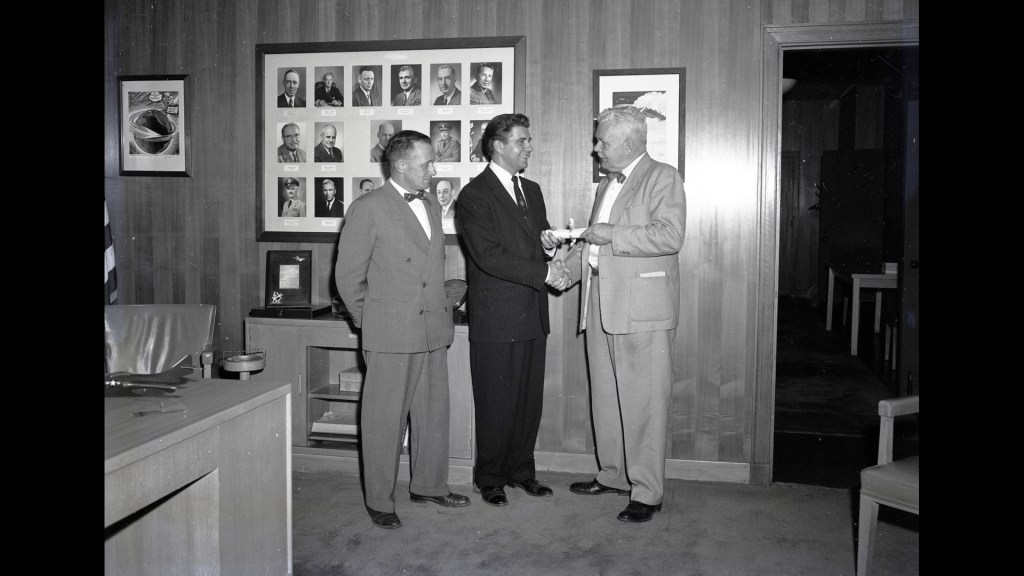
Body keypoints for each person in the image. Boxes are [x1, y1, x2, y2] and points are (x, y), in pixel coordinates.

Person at [334, 129, 470, 529]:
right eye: (427, 163)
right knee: (384, 419)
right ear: (402, 165)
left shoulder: (429, 203)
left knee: (433, 413)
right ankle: (379, 498)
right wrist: (371, 321)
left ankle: (429, 484)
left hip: (431, 327)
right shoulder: (368, 208)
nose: (434, 169)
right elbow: (347, 277)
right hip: (390, 330)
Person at [558, 105, 686, 523]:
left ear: (629, 144)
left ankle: (647, 492)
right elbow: (591, 247)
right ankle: (613, 475)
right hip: (601, 304)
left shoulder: (662, 177)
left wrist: (609, 234)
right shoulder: (606, 185)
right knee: (608, 398)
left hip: (643, 312)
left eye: (602, 141)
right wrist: (560, 271)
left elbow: (669, 236)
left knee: (645, 403)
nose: (596, 149)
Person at [455, 113, 566, 507]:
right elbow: (488, 257)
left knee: (526, 399)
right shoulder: (474, 195)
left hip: (532, 313)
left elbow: (536, 240)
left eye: (529, 140)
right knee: (495, 400)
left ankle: (522, 471)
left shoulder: (531, 190)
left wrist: (550, 246)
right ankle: (491, 478)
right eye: (522, 141)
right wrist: (545, 270)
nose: (529, 147)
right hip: (497, 315)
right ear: (498, 146)